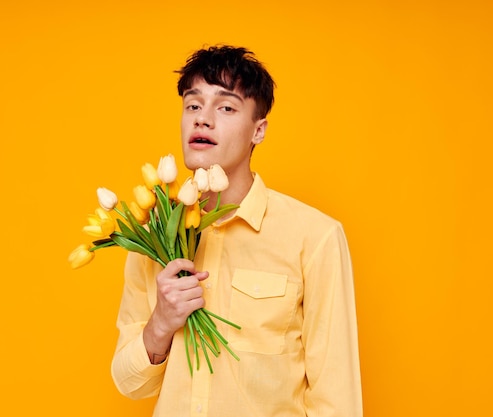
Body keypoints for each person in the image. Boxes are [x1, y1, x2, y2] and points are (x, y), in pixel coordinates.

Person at [111, 45, 363, 417]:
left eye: (226, 108)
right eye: (193, 106)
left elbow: (336, 399)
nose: (203, 119)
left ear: (258, 131)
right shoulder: (152, 237)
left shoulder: (315, 237)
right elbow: (130, 384)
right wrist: (161, 323)